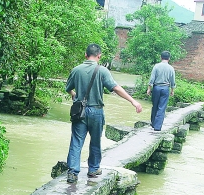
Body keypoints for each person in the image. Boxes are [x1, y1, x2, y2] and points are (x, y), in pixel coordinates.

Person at [65, 43, 142, 184]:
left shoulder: (76, 70)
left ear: (85, 54)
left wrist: (75, 95)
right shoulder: (102, 71)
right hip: (96, 111)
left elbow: (68, 88)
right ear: (99, 56)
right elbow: (116, 88)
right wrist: (133, 101)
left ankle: (72, 172)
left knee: (76, 141)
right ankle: (93, 169)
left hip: (79, 111)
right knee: (95, 141)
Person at [146, 51, 176, 131]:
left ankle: (153, 123)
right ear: (169, 58)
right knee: (162, 107)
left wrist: (149, 88)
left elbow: (152, 79)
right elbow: (172, 81)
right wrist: (172, 90)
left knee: (155, 106)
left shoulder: (156, 66)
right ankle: (157, 127)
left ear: (161, 57)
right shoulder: (171, 68)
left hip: (156, 88)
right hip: (165, 88)